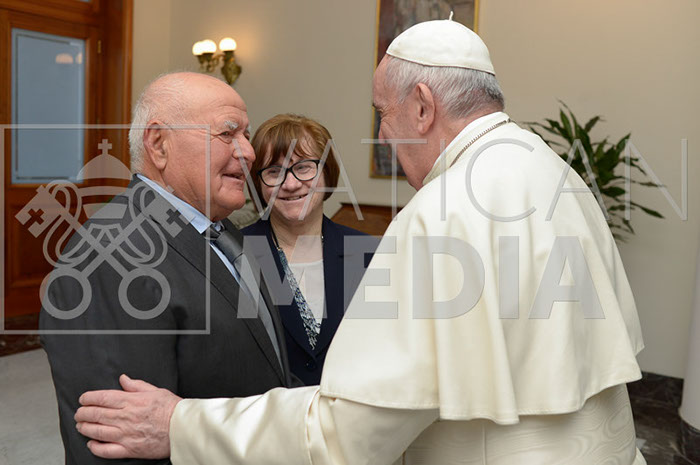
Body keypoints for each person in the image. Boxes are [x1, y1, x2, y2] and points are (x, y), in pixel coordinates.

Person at [73, 19, 646, 464]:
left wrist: (178, 424)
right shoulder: (557, 174)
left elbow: (348, 430)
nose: (383, 134)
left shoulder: (441, 212)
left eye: (382, 114)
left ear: (422, 106)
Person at [40, 72, 295, 464]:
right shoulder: (110, 256)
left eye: (246, 135)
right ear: (159, 144)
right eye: (227, 133)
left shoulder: (225, 231)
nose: (248, 152)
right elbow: (119, 442)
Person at [242, 114, 378, 385]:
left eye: (304, 167)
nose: (290, 184)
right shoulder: (236, 254)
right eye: (274, 172)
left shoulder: (370, 254)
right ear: (258, 184)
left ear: (327, 172)